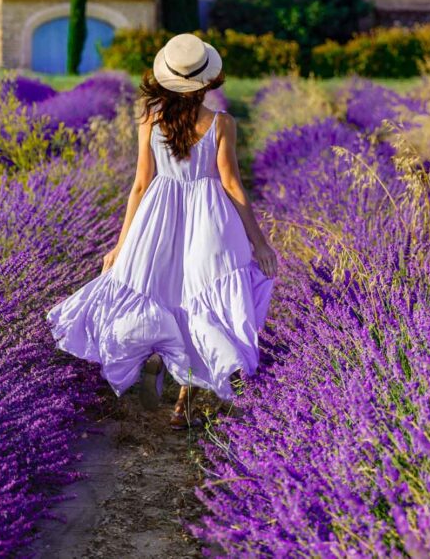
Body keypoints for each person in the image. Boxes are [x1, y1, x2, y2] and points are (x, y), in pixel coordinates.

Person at [46, 33, 277, 429]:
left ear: (165, 78)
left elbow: (139, 184)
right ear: (207, 80)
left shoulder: (150, 120)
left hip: (158, 214)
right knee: (200, 297)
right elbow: (233, 185)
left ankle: (158, 355)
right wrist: (259, 241)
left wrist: (121, 245)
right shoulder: (221, 123)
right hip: (209, 218)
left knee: (160, 290)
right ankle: (185, 396)